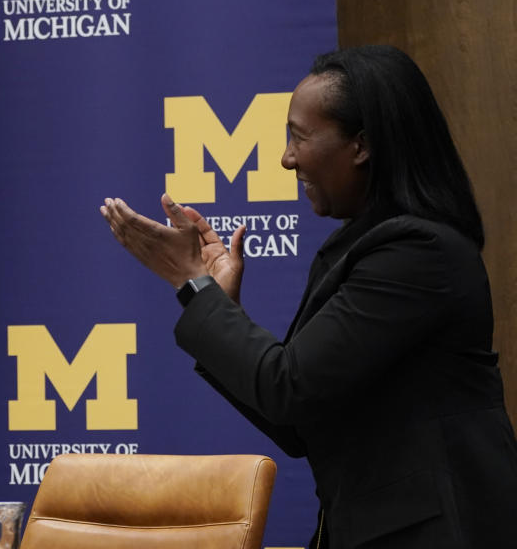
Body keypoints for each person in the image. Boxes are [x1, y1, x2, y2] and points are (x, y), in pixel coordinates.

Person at [100, 45, 517, 548]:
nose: (286, 157)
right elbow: (296, 421)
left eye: (299, 136)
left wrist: (193, 284)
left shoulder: (418, 253)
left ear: (361, 145)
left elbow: (288, 388)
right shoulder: (364, 248)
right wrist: (214, 302)